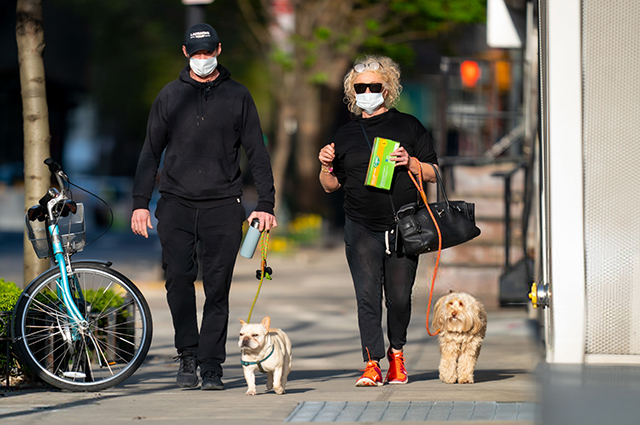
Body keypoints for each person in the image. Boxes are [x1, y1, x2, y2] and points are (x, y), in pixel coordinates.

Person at [131, 23, 277, 391]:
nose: (202, 59)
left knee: (217, 289)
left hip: (224, 206)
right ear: (185, 53)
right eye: (196, 53)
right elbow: (150, 153)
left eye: (208, 52)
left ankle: (211, 365)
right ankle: (188, 354)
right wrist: (139, 203)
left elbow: (257, 153)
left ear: (219, 50)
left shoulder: (238, 96)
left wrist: (266, 202)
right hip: (176, 205)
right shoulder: (169, 96)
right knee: (178, 281)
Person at [318, 55, 438, 387]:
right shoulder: (344, 133)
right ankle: (372, 363)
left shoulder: (410, 126)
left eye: (374, 86)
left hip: (403, 226)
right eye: (360, 87)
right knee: (366, 296)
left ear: (387, 89)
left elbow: (434, 172)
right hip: (360, 226)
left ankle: (397, 355)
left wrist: (411, 161)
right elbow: (330, 185)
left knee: (398, 297)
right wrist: (326, 164)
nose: (367, 92)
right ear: (352, 92)